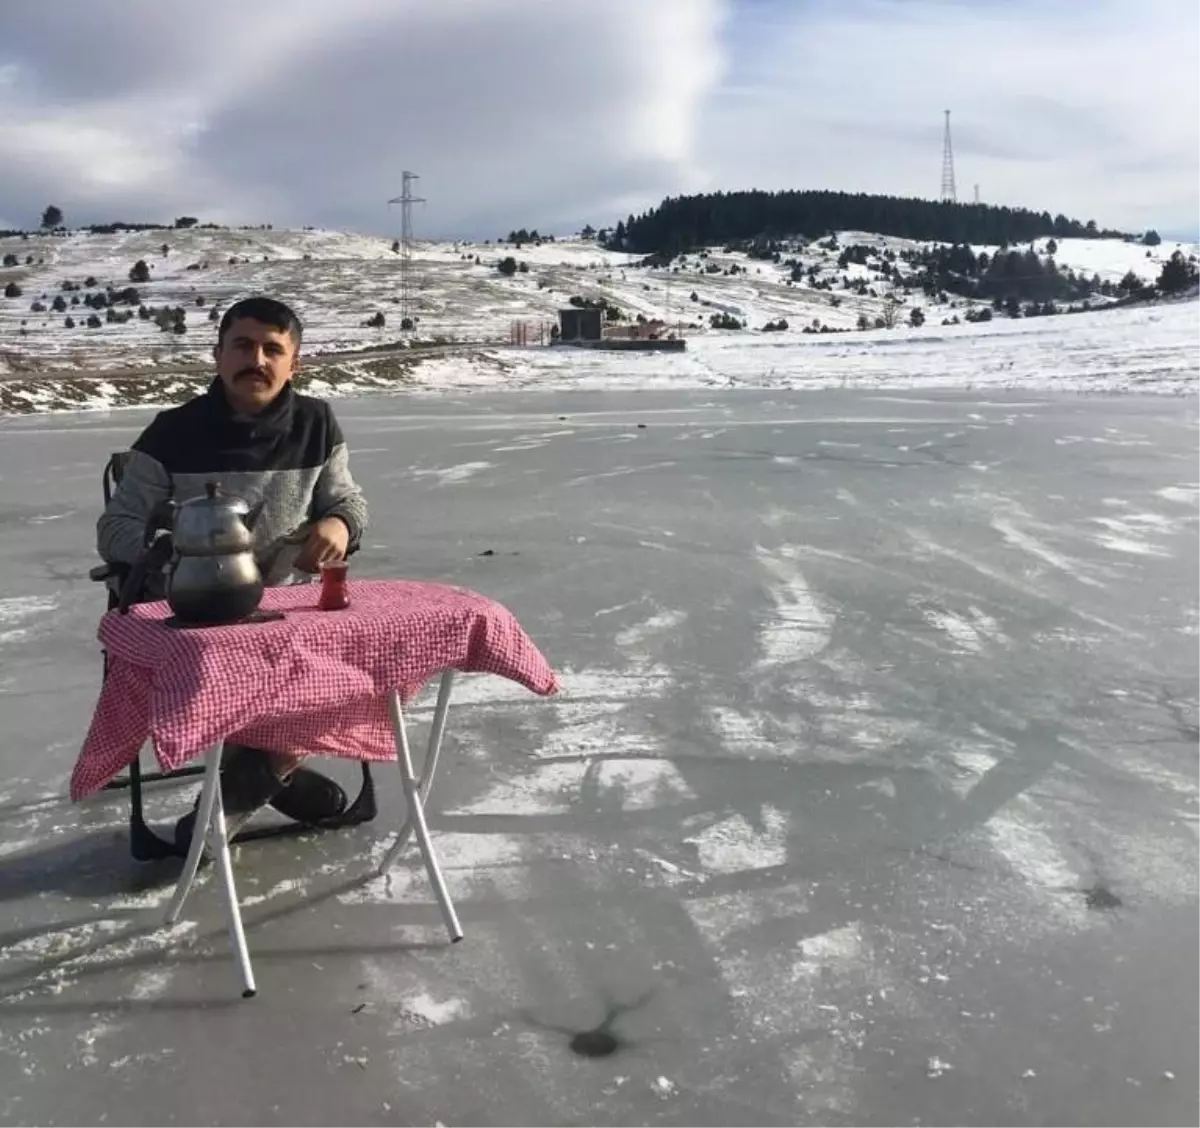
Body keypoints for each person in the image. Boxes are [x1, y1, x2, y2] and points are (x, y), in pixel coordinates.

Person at [96, 295, 370, 850]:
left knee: (347, 673)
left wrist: (340, 524)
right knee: (234, 671)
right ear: (217, 355)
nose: (258, 360)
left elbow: (349, 500)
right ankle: (266, 777)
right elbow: (116, 526)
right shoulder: (172, 433)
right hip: (192, 609)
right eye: (243, 346)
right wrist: (179, 552)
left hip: (287, 604)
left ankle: (247, 785)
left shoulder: (317, 423)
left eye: (274, 349)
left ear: (295, 363)